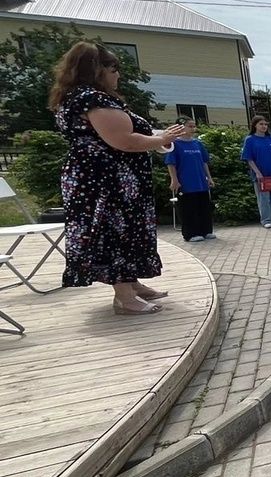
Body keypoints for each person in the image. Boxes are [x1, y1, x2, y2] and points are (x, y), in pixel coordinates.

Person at [51, 41, 185, 314]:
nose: (118, 76)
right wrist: (162, 138)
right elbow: (122, 140)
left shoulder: (78, 97)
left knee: (125, 230)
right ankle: (125, 297)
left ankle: (131, 284)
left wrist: (159, 138)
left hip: (103, 178)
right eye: (114, 70)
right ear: (98, 70)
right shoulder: (92, 98)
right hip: (105, 183)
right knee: (116, 231)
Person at [166, 117, 215, 242]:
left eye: (194, 126)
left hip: (200, 181)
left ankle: (206, 231)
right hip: (186, 182)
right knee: (188, 208)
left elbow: (204, 162)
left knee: (203, 207)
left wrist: (209, 178)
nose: (193, 129)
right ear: (181, 127)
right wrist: (174, 179)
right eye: (190, 126)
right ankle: (191, 233)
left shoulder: (198, 143)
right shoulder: (175, 144)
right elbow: (171, 163)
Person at [243, 115, 271, 228]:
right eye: (261, 124)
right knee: (263, 199)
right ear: (255, 126)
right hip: (260, 175)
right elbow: (249, 158)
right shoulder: (250, 140)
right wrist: (257, 172)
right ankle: (267, 220)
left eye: (266, 124)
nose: (264, 126)